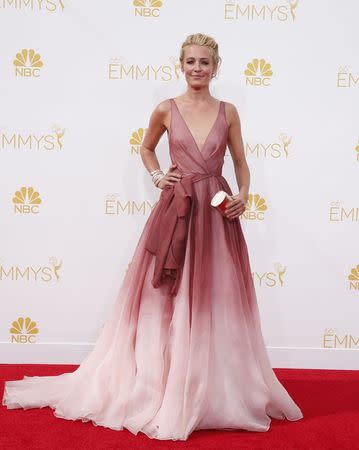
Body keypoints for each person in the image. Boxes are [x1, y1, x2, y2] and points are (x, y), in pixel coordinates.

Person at [2, 33, 303, 441]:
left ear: (216, 67)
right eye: (191, 62)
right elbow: (146, 149)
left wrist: (244, 195)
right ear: (180, 65)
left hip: (216, 214)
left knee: (214, 297)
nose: (197, 68)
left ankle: (211, 388)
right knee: (169, 294)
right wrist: (158, 174)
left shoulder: (228, 112)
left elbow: (240, 161)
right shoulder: (165, 109)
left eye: (205, 62)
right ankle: (162, 386)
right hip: (175, 210)